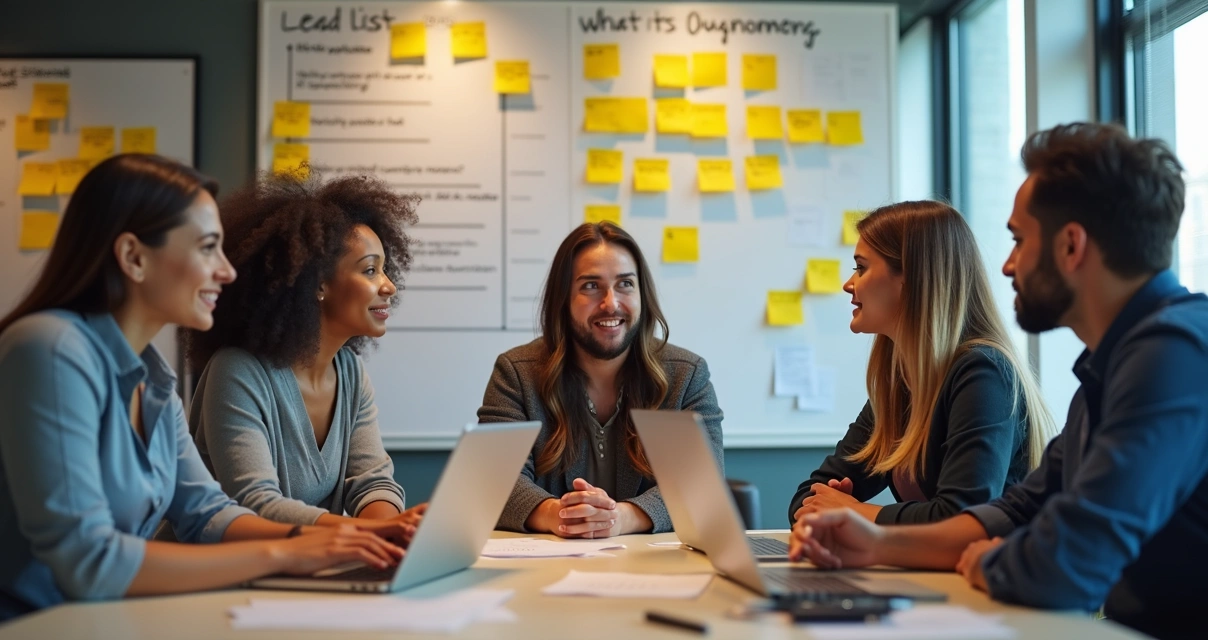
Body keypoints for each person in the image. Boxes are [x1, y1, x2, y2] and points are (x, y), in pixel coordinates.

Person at [789, 123, 1208, 640]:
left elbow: (1065, 563)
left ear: (1071, 246)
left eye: (1018, 240)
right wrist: (871, 543)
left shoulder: (1173, 354)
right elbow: (1015, 510)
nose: (1007, 265)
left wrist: (990, 558)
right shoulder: (1110, 367)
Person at [0, 155, 409, 624]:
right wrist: (291, 553)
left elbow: (206, 512)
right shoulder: (48, 348)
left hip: (101, 620)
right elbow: (87, 560)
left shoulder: (151, 376)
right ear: (133, 257)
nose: (227, 271)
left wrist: (331, 540)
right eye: (208, 248)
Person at [788, 202, 1056, 526]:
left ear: (911, 279)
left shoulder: (983, 374)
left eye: (861, 268)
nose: (849, 284)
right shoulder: (902, 384)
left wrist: (850, 511)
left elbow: (961, 517)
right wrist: (830, 504)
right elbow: (806, 498)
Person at [185, 173, 424, 529]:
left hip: (305, 570)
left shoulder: (350, 372)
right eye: (371, 270)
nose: (388, 286)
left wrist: (393, 534)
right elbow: (254, 503)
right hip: (210, 578)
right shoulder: (237, 371)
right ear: (318, 285)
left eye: (385, 270)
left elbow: (371, 481)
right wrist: (370, 531)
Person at [478, 222, 723, 538]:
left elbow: (703, 485)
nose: (611, 303)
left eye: (625, 284)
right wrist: (561, 515)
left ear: (642, 294)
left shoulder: (686, 376)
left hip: (654, 573)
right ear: (563, 299)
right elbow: (494, 482)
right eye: (591, 286)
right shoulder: (516, 373)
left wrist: (620, 518)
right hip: (546, 568)